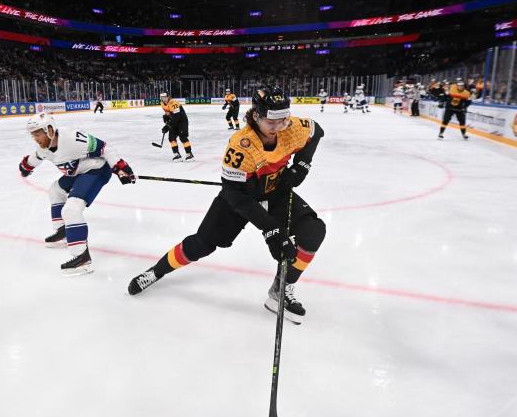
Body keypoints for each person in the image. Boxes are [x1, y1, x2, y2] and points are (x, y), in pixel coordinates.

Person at [127, 88, 327, 325]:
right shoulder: (240, 145)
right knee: (201, 244)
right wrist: (271, 228)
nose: (280, 125)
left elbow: (316, 131)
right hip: (241, 198)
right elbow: (234, 194)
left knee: (313, 231)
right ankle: (156, 271)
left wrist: (302, 164)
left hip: (276, 192)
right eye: (272, 120)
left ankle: (280, 291)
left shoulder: (291, 126)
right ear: (256, 116)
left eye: (284, 118)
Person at [18, 113, 136, 275]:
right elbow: (36, 157)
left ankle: (82, 258)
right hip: (79, 172)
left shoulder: (73, 139)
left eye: (38, 134)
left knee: (72, 209)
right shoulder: (43, 148)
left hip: (96, 170)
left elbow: (105, 148)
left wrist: (121, 167)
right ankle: (63, 231)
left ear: (50, 130)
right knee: (55, 190)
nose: (35, 139)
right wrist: (26, 167)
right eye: (33, 135)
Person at [160, 91, 194, 161]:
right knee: (171, 138)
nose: (164, 99)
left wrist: (168, 125)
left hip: (182, 121)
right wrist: (166, 117)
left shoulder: (173, 102)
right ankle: (177, 154)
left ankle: (189, 154)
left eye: (165, 97)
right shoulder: (162, 104)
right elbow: (169, 114)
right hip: (174, 121)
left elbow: (177, 116)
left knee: (183, 137)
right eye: (162, 97)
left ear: (168, 96)